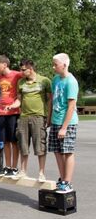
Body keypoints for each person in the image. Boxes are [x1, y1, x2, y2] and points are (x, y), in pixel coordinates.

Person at [6, 59, 52, 182]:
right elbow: (19, 100)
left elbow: (49, 100)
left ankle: (41, 173)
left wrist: (49, 117)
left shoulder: (44, 81)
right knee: (23, 145)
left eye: (23, 70)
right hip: (24, 117)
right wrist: (12, 105)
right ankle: (23, 171)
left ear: (30, 69)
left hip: (38, 117)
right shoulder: (21, 82)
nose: (21, 72)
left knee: (40, 145)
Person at [48, 53, 78, 193]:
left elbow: (71, 106)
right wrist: (49, 119)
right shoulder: (55, 80)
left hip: (67, 123)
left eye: (56, 64)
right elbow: (52, 100)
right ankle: (62, 179)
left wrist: (64, 127)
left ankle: (68, 182)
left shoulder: (71, 82)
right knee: (57, 151)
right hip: (55, 121)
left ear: (64, 65)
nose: (53, 67)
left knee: (67, 152)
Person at [0, 55, 22, 177]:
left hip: (13, 113)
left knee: (13, 141)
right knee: (5, 141)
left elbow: (28, 75)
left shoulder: (16, 75)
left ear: (5, 64)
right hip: (1, 112)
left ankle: (14, 167)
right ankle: (7, 166)